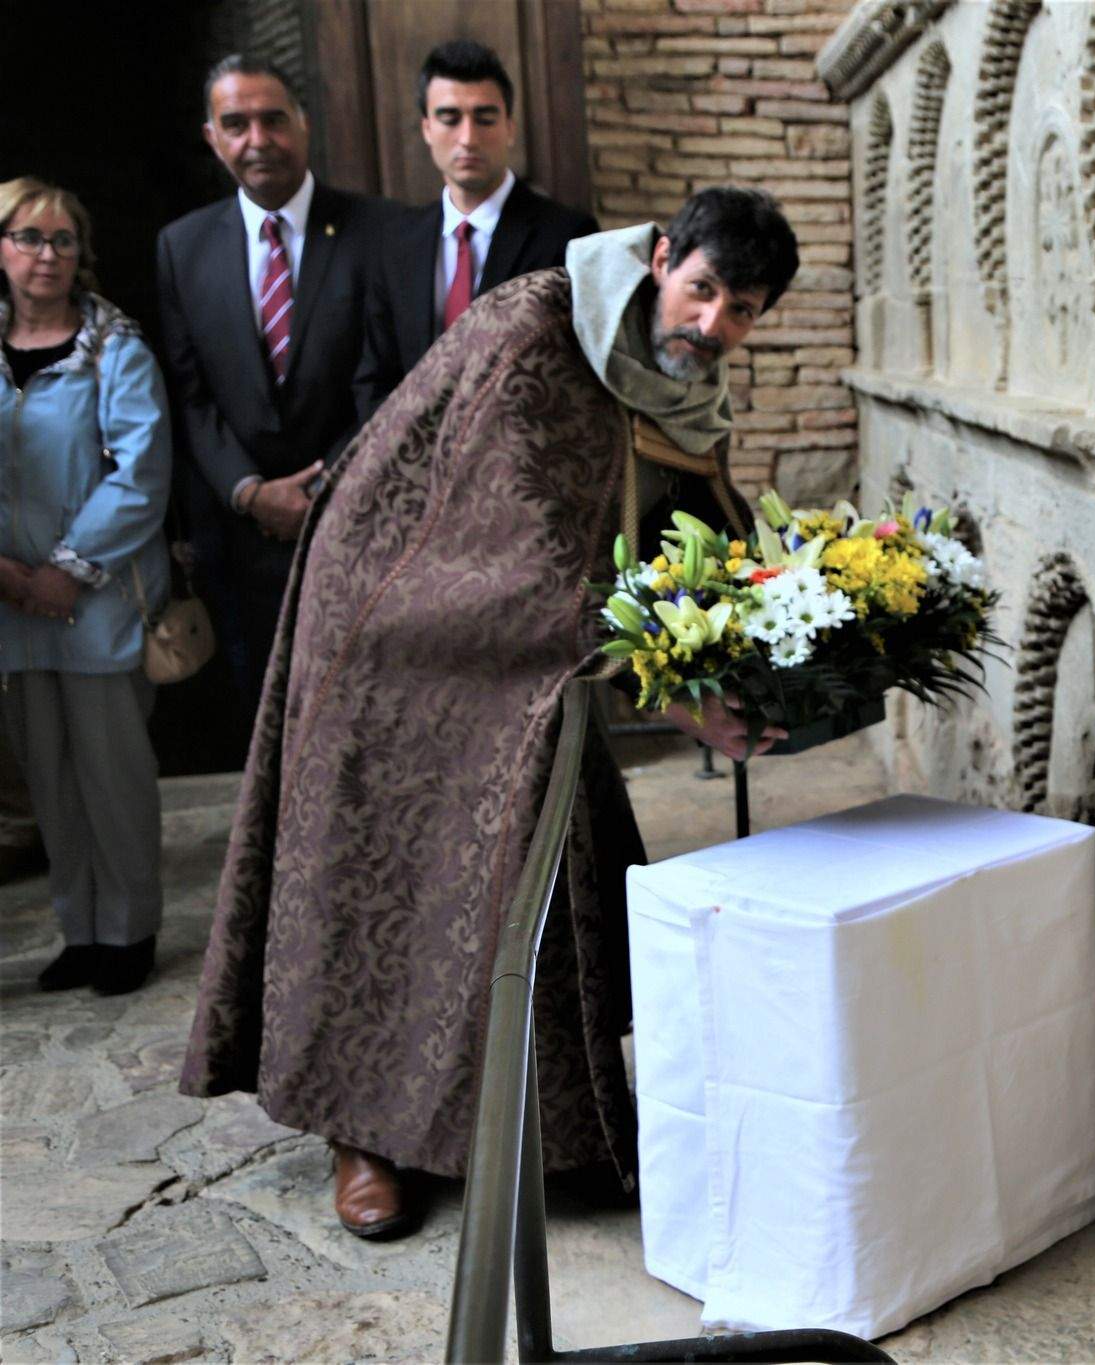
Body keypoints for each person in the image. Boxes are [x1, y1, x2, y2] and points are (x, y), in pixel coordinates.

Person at [180, 187, 799, 1239]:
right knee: (384, 874)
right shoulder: (537, 329)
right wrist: (673, 691)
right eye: (701, 293)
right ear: (659, 258)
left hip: (518, 648)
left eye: (740, 311)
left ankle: (551, 1125)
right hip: (391, 626)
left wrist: (770, 623)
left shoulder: (677, 377)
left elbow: (685, 514)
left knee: (524, 865)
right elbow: (527, 535)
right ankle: (361, 1132)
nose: (711, 326)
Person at [155, 56, 391, 740]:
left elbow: (394, 376)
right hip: (243, 544)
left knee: (369, 725)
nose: (258, 138)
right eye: (237, 123)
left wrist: (327, 486)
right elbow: (189, 392)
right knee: (272, 732)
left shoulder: (379, 231)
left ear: (304, 124)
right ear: (212, 137)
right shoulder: (181, 247)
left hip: (358, 528)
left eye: (273, 118)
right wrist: (250, 491)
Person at [0, 177, 172, 996]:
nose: (46, 255)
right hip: (12, 604)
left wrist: (65, 570)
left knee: (111, 772)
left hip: (96, 597)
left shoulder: (115, 349)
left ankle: (128, 929)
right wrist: (9, 576)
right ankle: (80, 930)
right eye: (29, 237)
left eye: (62, 240)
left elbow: (141, 475)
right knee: (50, 776)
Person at [354, 38, 598, 422]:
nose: (468, 138)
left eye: (484, 118)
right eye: (450, 119)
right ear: (427, 129)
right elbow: (375, 377)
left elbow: (577, 376)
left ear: (510, 128)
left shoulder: (567, 235)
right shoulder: (396, 242)